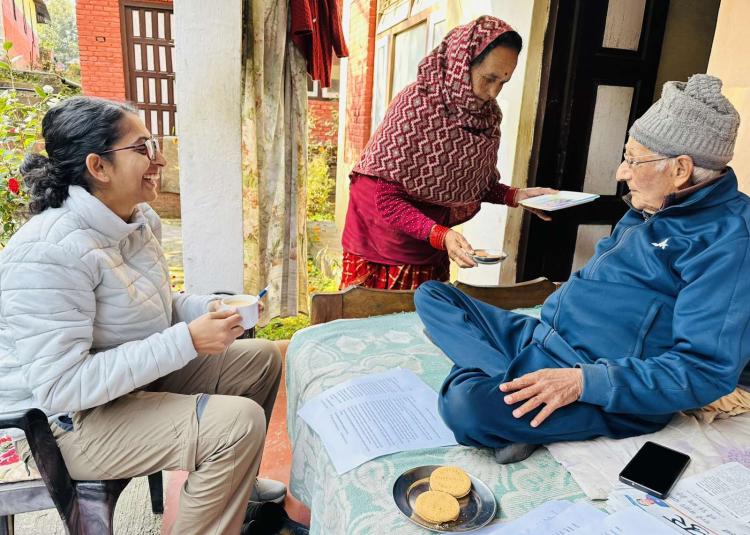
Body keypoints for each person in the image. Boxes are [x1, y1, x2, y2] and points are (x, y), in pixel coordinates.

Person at [415, 74, 750, 461]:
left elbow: (703, 370)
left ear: (680, 169)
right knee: (433, 295)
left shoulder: (729, 243)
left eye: (632, 159)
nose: (621, 173)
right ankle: (511, 384)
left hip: (594, 377)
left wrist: (582, 382)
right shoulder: (652, 204)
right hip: (542, 337)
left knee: (465, 410)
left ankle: (503, 395)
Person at [0, 97, 292, 534]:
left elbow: (158, 305)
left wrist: (211, 309)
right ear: (99, 167)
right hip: (58, 428)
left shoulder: (135, 220)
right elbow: (61, 386)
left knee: (261, 357)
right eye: (143, 149)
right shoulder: (48, 252)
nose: (160, 159)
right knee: (237, 424)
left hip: (119, 387)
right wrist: (188, 341)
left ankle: (237, 488)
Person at [340, 15, 555, 290]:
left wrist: (518, 196)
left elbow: (471, 184)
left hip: (433, 236)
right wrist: (441, 235)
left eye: (503, 82)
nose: (493, 93)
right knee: (376, 322)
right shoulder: (416, 106)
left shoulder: (486, 118)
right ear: (461, 66)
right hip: (381, 236)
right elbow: (388, 199)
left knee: (425, 316)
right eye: (488, 78)